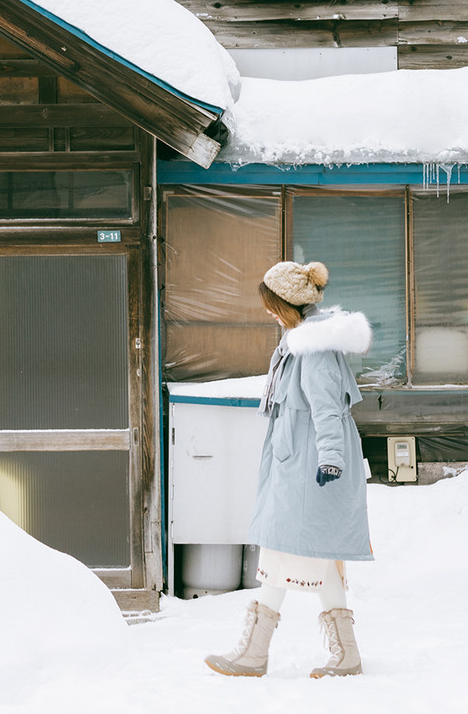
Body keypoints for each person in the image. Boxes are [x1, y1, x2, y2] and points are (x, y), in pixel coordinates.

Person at [205, 260, 373, 679]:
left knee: (286, 554)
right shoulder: (300, 340)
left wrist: (331, 459)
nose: (267, 311)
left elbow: (328, 410)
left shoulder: (311, 349)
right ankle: (342, 654)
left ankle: (254, 654)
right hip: (297, 463)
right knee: (313, 556)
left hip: (309, 467)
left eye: (271, 304)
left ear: (287, 304)